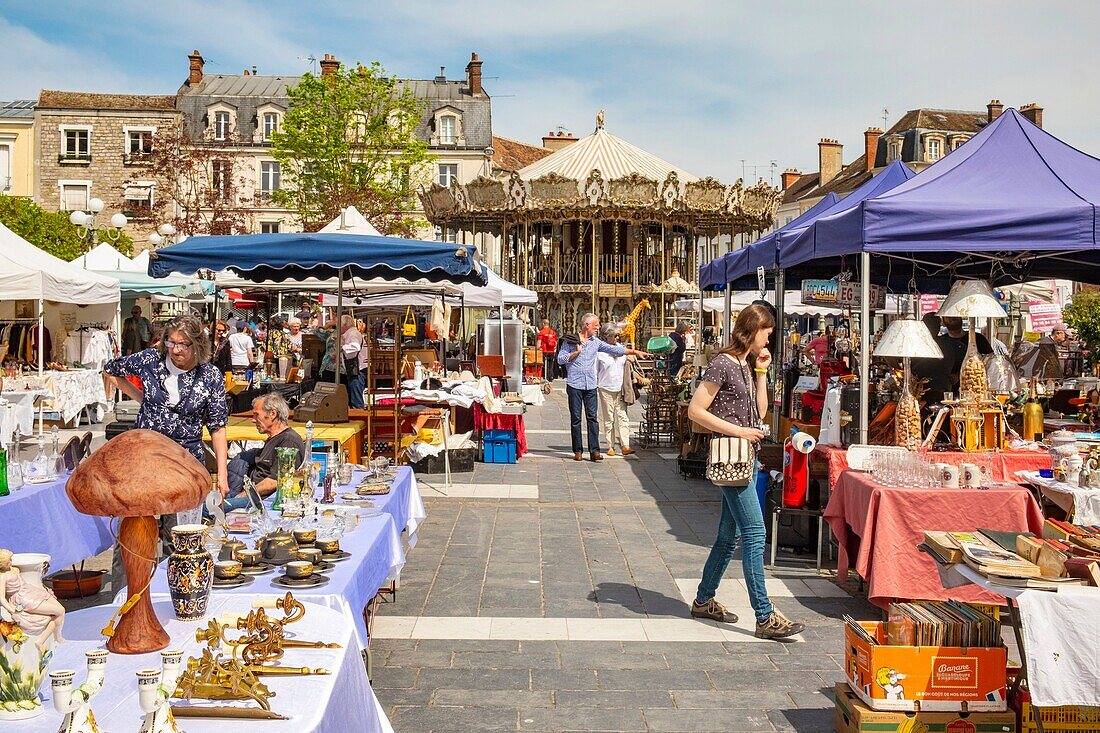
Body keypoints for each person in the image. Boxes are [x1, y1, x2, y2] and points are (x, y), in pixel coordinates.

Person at [686, 303, 805, 639]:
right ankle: (765, 616)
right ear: (753, 329)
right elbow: (696, 410)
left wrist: (763, 373)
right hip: (732, 455)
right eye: (767, 335)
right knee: (754, 533)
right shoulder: (722, 363)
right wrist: (739, 432)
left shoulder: (746, 364)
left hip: (746, 458)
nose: (769, 341)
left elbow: (761, 413)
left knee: (729, 535)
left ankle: (703, 599)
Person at [103, 314, 229, 494]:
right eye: (171, 343)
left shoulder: (210, 375)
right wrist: (140, 397)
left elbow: (217, 427)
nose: (176, 350)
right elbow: (110, 370)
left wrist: (222, 475)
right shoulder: (151, 360)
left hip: (187, 461)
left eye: (183, 344)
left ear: (197, 344)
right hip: (146, 457)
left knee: (183, 520)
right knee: (142, 517)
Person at [558, 313, 649, 462]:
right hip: (575, 384)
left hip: (591, 385)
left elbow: (616, 350)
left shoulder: (596, 342)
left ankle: (594, 451)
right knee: (576, 419)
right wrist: (576, 352)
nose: (598, 327)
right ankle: (578, 451)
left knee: (592, 418)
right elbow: (561, 360)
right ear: (587, 325)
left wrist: (635, 352)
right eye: (596, 325)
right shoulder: (570, 341)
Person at [224, 393, 307, 510]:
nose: (253, 420)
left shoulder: (288, 441)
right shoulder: (274, 438)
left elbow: (274, 481)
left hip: (262, 499)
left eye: (256, 415)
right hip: (251, 493)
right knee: (203, 501)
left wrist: (245, 494)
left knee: (208, 509)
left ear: (272, 414)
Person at [0, 547, 66, 653]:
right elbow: (1, 598)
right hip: (23, 600)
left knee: (61, 609)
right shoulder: (2, 577)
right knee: (59, 611)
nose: (11, 562)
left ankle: (57, 635)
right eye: (9, 561)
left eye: (11, 560)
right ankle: (43, 640)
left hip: (31, 590)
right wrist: (12, 610)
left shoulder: (15, 569)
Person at [596, 323, 635, 457]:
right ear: (607, 337)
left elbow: (629, 359)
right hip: (605, 387)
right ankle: (610, 445)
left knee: (623, 416)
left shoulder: (621, 349)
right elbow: (596, 370)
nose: (618, 338)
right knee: (609, 418)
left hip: (620, 388)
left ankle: (625, 445)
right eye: (615, 336)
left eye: (618, 335)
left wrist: (631, 358)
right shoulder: (599, 351)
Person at [939, 316, 993, 392]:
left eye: (954, 316)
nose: (951, 318)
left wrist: (961, 374)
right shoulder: (941, 341)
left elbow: (990, 359)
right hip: (947, 391)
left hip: (975, 387)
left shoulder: (978, 338)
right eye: (948, 317)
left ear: (961, 318)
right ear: (943, 321)